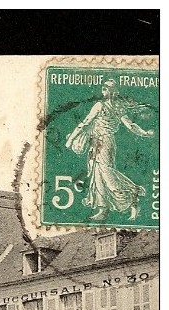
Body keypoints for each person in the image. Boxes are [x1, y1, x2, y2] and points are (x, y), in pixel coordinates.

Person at [65, 79, 154, 221]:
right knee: (97, 174)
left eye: (107, 89)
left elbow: (86, 123)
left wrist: (70, 140)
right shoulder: (112, 106)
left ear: (113, 91)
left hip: (104, 143)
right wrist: (144, 133)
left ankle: (132, 194)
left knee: (106, 173)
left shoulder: (105, 106)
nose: (105, 91)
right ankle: (103, 209)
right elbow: (87, 123)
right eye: (104, 88)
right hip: (98, 143)